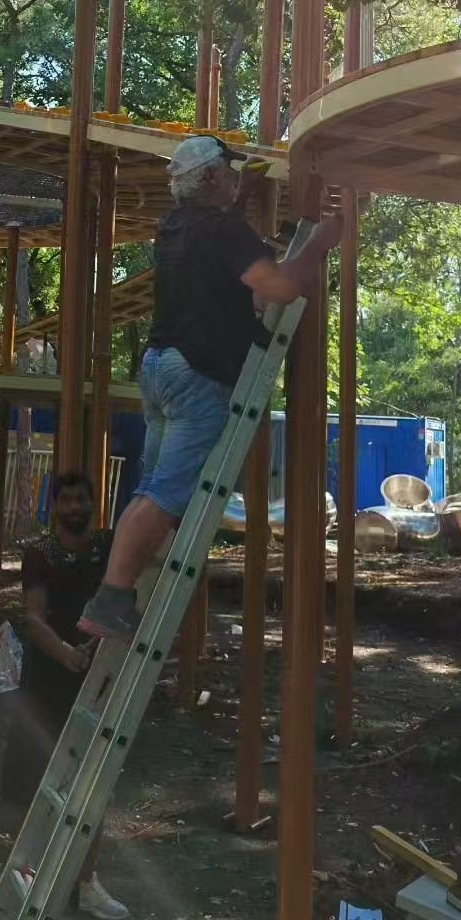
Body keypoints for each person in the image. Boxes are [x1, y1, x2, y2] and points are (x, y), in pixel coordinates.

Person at [79, 133, 343, 642]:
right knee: (166, 495)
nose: (239, 181)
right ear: (210, 177)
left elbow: (229, 280)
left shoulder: (174, 226)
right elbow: (283, 288)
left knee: (149, 489)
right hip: (199, 377)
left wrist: (264, 242)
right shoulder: (223, 230)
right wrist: (320, 243)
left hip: (160, 368)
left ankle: (116, 591)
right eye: (230, 171)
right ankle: (110, 598)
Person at [0, 472, 130, 920]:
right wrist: (68, 654)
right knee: (38, 778)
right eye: (66, 500)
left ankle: (86, 884)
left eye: (81, 499)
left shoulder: (109, 548)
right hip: (49, 678)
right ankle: (32, 876)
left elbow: (127, 594)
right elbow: (33, 617)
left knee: (95, 780)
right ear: (54, 506)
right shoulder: (41, 553)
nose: (74, 507)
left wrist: (99, 649)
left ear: (93, 504)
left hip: (98, 675)